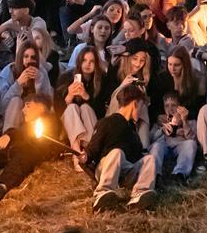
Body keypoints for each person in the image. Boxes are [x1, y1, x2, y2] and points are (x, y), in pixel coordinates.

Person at [82, 83, 158, 212]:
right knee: (117, 152)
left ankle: (140, 193)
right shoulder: (106, 122)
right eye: (141, 106)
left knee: (149, 159)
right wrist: (86, 156)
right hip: (106, 167)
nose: (140, 111)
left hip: (124, 171)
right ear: (135, 104)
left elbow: (137, 156)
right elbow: (93, 148)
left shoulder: (132, 129)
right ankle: (103, 193)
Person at [149, 90, 199, 183]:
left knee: (191, 144)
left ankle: (179, 175)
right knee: (156, 146)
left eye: (173, 105)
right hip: (164, 146)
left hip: (180, 146)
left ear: (180, 107)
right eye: (167, 106)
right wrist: (162, 130)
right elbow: (151, 139)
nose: (170, 109)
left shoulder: (190, 122)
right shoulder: (160, 122)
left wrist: (184, 122)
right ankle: (154, 175)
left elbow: (193, 140)